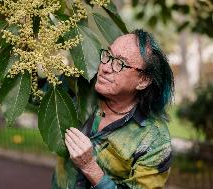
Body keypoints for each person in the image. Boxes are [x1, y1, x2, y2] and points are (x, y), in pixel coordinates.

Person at [52, 29, 174, 189]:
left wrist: (89, 167)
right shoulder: (78, 87)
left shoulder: (155, 139)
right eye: (107, 55)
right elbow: (36, 91)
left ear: (143, 81)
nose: (105, 67)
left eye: (120, 63)